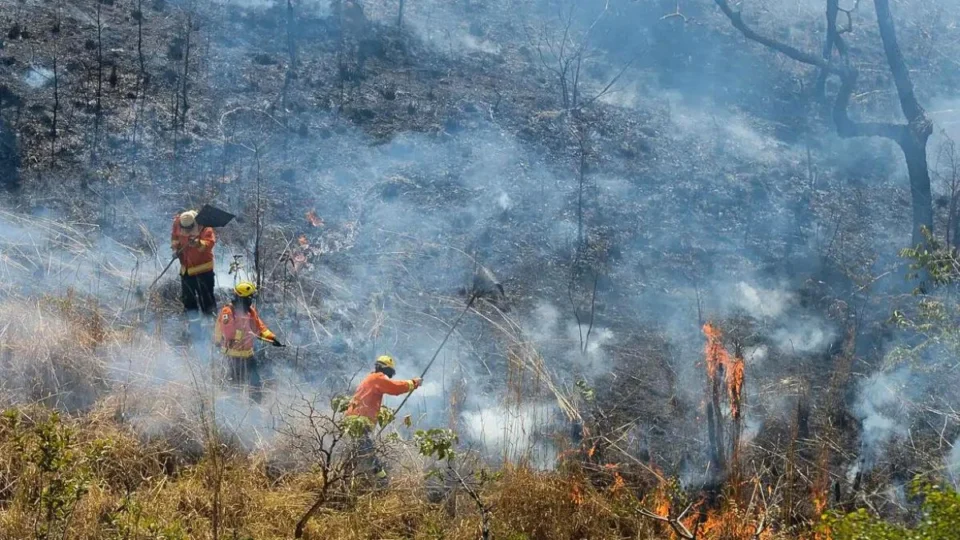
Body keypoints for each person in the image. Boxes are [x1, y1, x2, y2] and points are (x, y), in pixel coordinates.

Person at [346, 355, 422, 481]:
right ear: (385, 369)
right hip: (359, 421)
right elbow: (395, 387)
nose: (389, 376)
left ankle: (348, 478)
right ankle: (382, 480)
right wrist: (414, 383)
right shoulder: (377, 378)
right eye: (390, 372)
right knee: (368, 452)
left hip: (354, 420)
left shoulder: (370, 379)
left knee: (356, 452)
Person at [214, 281, 283, 401]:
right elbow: (228, 333)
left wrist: (272, 338)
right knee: (236, 387)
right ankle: (235, 413)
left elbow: (260, 327)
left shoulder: (250, 312)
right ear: (241, 298)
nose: (251, 300)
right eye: (249, 298)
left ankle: (256, 410)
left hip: (248, 356)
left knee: (255, 384)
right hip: (233, 357)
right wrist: (247, 333)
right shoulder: (228, 312)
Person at [171, 210, 217, 317]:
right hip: (186, 270)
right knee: (188, 300)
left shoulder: (205, 227)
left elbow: (209, 244)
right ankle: (193, 327)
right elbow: (174, 237)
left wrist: (198, 243)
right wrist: (175, 249)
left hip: (203, 271)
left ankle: (210, 325)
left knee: (207, 300)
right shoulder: (177, 222)